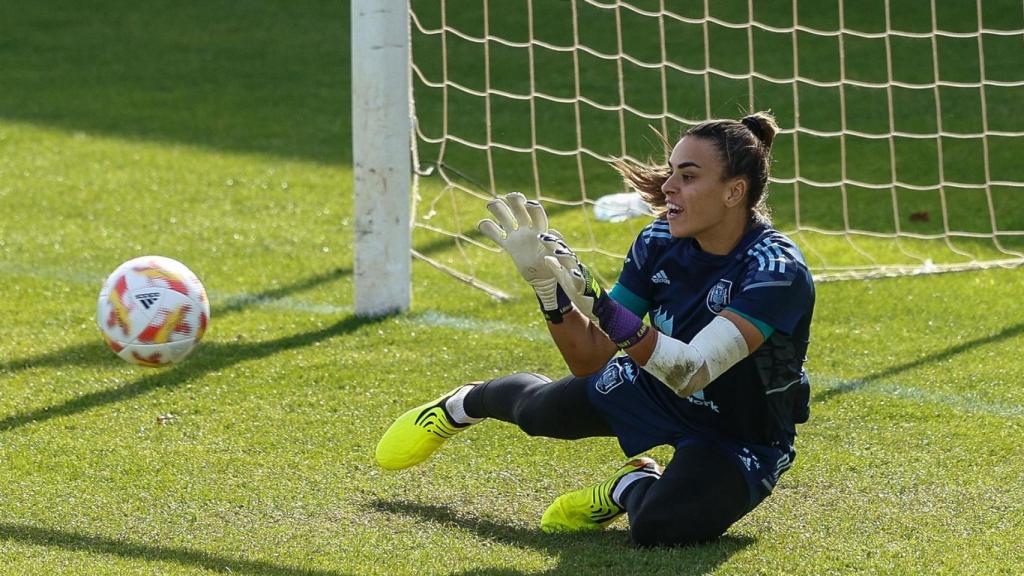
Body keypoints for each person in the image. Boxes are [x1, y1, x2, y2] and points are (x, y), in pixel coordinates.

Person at [375, 111, 815, 547]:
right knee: (539, 412)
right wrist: (549, 290)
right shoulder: (658, 240)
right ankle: (462, 403)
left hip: (741, 429)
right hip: (654, 385)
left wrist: (604, 309)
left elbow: (693, 371)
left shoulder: (775, 270)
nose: (667, 187)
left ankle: (629, 485)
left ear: (734, 191)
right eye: (671, 172)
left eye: (688, 176)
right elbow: (588, 358)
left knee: (662, 528)